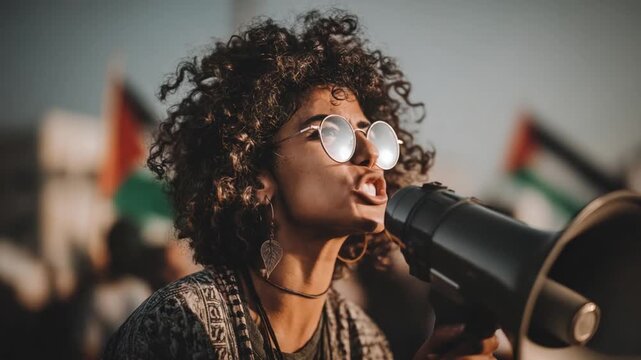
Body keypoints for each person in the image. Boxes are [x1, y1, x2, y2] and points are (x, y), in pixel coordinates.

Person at [103, 9, 499, 359]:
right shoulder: (174, 325)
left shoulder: (366, 343)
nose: (370, 155)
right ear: (257, 179)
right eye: (333, 134)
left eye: (373, 135)